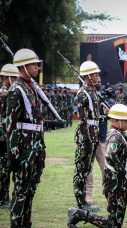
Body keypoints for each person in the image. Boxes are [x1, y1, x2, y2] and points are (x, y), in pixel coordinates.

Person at [68, 104, 127, 228]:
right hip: (115, 186)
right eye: (126, 121)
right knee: (114, 225)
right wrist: (123, 173)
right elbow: (110, 156)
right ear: (117, 121)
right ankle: (79, 214)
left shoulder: (119, 133)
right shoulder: (115, 136)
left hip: (124, 182)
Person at [6, 48, 45, 227]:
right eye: (33, 64)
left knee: (31, 190)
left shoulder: (32, 87)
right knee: (21, 191)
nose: (37, 67)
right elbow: (10, 125)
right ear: (23, 66)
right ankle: (16, 224)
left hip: (36, 147)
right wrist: (13, 154)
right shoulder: (16, 89)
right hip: (23, 149)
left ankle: (26, 223)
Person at [72, 60, 105, 213]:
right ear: (88, 76)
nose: (98, 76)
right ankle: (81, 202)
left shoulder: (92, 92)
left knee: (87, 169)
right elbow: (84, 120)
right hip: (86, 136)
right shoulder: (83, 94)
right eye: (95, 74)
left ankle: (85, 201)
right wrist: (89, 140)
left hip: (94, 134)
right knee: (82, 170)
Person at [0, 64, 19, 210]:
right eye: (14, 77)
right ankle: (3, 199)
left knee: (6, 167)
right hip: (2, 136)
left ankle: (4, 197)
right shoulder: (3, 93)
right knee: (4, 168)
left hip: (6, 134)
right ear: (8, 77)